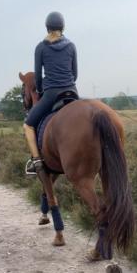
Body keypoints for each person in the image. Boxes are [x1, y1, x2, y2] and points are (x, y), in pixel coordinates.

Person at [23, 11, 79, 173]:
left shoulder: (40, 47)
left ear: (47, 28)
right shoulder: (71, 45)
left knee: (28, 125)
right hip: (72, 92)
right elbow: (75, 74)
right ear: (63, 27)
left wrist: (40, 91)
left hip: (51, 94)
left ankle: (36, 161)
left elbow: (38, 78)